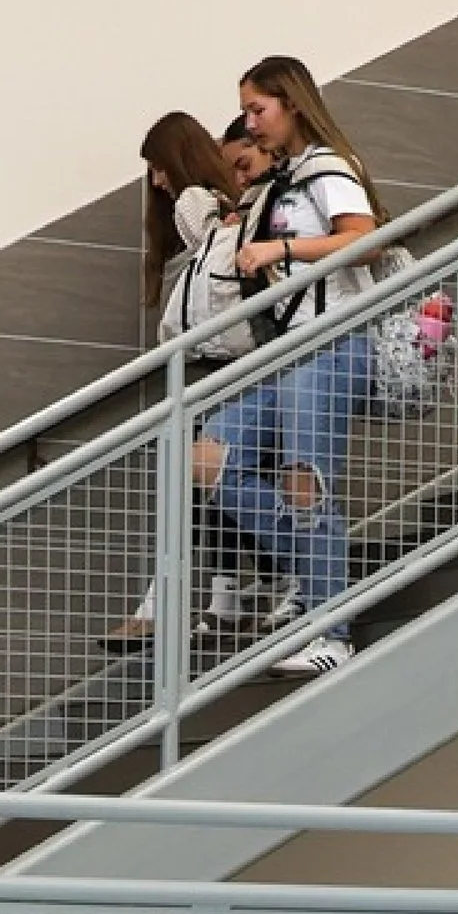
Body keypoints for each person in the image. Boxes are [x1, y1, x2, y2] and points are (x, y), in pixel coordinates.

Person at [210, 54, 387, 678]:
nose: (249, 122)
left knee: (306, 482)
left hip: (332, 340)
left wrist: (280, 247)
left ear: (290, 102)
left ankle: (332, 632)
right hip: (291, 350)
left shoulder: (329, 166)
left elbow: (365, 237)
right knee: (210, 457)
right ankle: (316, 574)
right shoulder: (284, 176)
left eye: (257, 109)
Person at [104, 113, 275, 648]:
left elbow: (216, 249)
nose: (157, 181)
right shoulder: (223, 206)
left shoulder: (197, 202)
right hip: (221, 367)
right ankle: (225, 598)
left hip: (215, 369)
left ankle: (166, 603)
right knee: (213, 488)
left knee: (197, 487)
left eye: (159, 167)